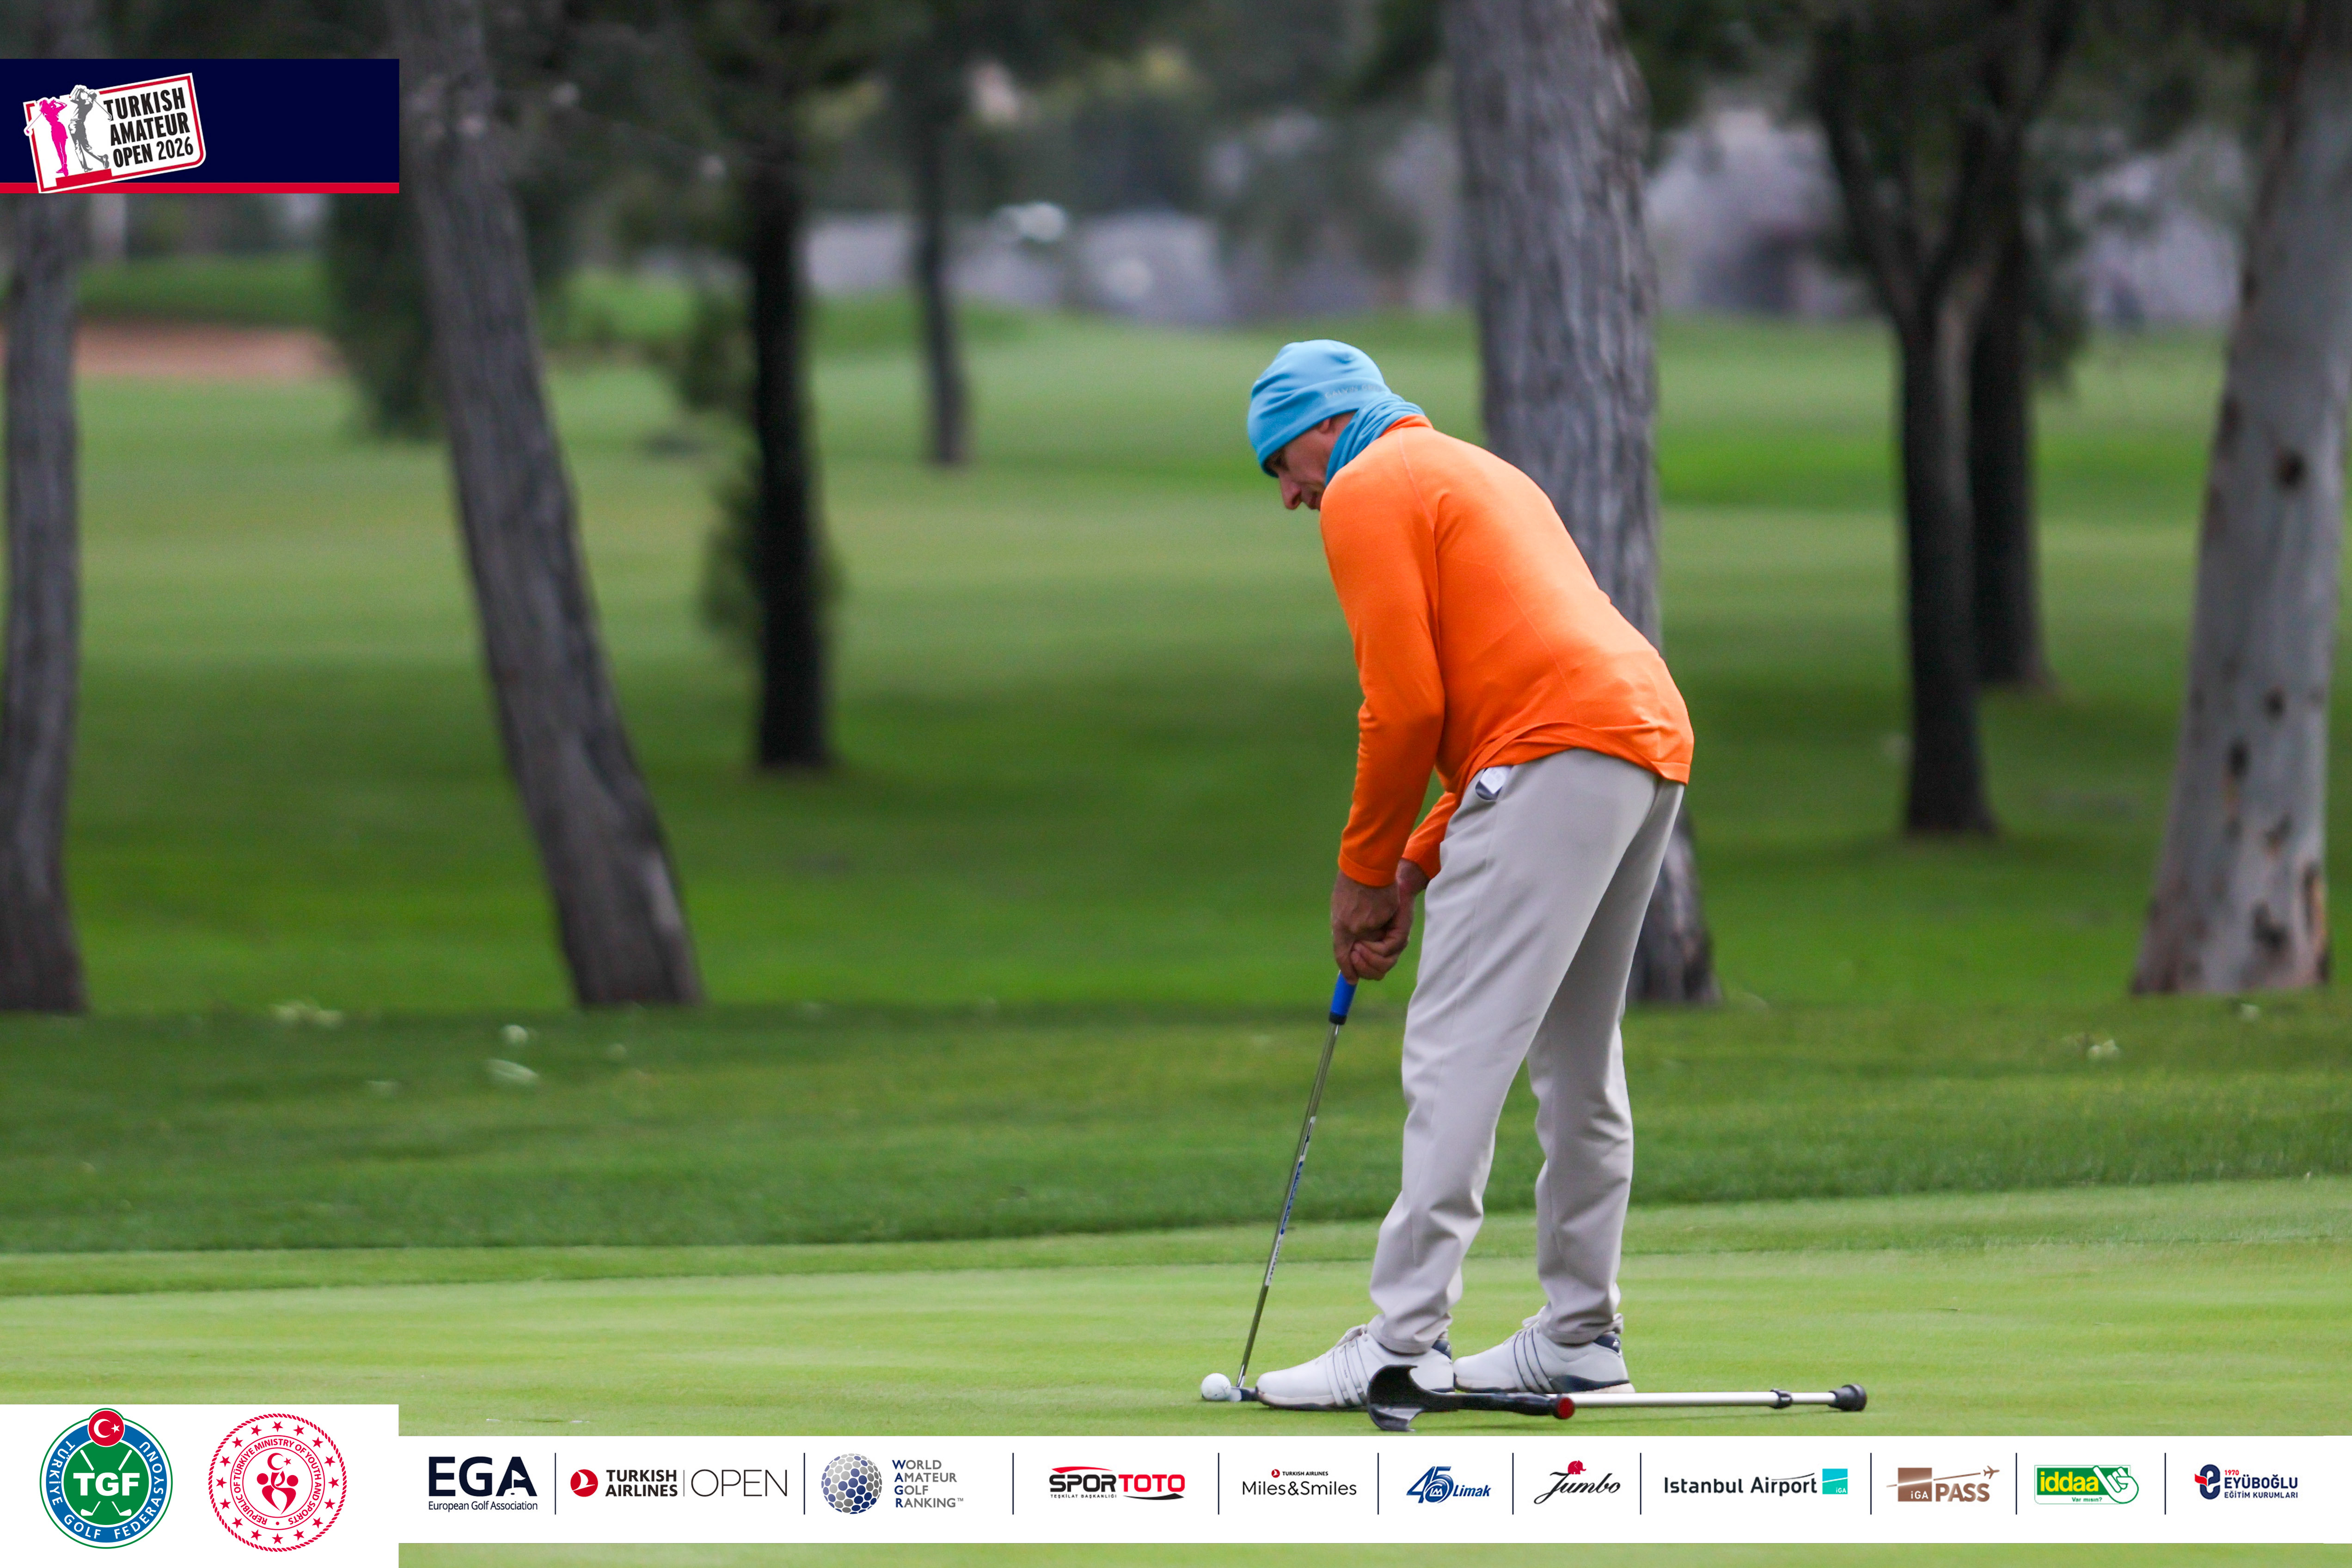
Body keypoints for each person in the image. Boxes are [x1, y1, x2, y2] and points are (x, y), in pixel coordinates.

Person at [1244, 340, 1694, 1410]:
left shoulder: (1367, 485)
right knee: (1579, 1056)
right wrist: (1411, 864)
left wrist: (1361, 872)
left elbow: (1405, 710)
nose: (1290, 496)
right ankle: (1579, 1336)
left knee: (1454, 1047)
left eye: (1279, 464)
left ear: (1322, 427)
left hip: (1557, 750)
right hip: (1641, 740)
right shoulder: (1476, 471)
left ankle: (1402, 1343)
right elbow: (1503, 697)